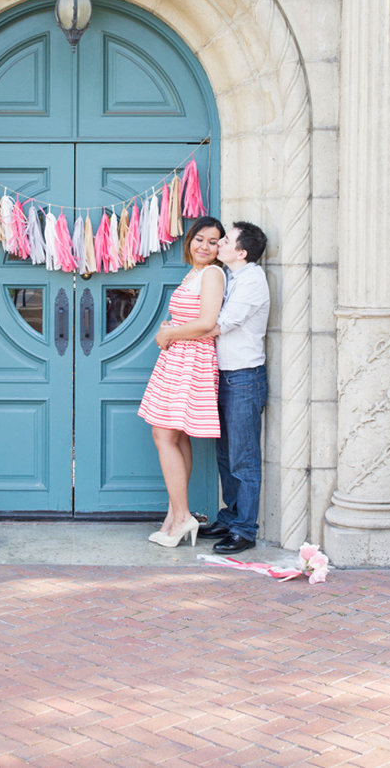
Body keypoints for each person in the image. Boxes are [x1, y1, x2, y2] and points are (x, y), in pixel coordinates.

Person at [138, 217, 226, 548]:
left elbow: (206, 322)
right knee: (174, 434)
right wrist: (171, 328)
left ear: (221, 248)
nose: (204, 246)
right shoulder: (194, 273)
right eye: (199, 239)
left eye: (213, 241)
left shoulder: (213, 274)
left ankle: (183, 515)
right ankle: (175, 515)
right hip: (179, 358)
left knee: (163, 434)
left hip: (193, 359)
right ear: (189, 240)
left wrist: (169, 333)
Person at [200, 221, 270, 554]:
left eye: (226, 240)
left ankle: (245, 529)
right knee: (226, 455)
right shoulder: (230, 276)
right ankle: (230, 518)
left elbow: (220, 324)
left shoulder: (253, 280)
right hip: (224, 375)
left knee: (243, 458)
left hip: (244, 377)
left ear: (241, 252)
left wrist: (177, 331)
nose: (220, 243)